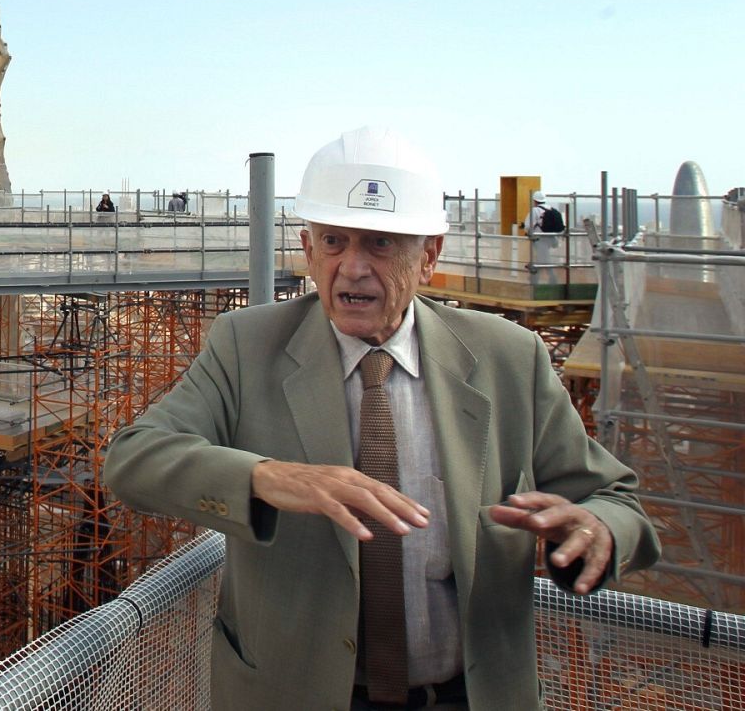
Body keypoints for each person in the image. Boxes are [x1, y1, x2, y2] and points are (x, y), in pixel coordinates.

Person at [104, 126, 657, 710]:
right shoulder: (247, 345)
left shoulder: (508, 359)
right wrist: (267, 477)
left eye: (381, 244)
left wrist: (595, 530)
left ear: (429, 257)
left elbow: (616, 501)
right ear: (308, 249)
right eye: (334, 241)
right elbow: (135, 458)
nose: (353, 267)